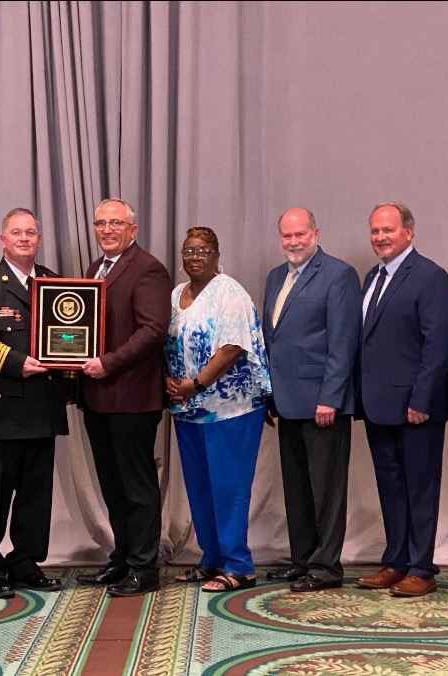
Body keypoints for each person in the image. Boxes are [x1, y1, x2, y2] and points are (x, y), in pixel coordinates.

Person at [0, 208, 69, 599]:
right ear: (2, 240)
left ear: (38, 239)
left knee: (36, 495)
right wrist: (17, 363)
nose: (24, 238)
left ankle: (26, 563)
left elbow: (72, 334)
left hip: (42, 406)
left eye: (31, 233)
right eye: (16, 233)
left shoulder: (57, 284)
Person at [355, 202, 448, 597]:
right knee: (391, 486)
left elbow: (438, 347)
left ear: (408, 233)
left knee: (420, 486)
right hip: (378, 404)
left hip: (416, 408)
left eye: (388, 230)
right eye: (375, 230)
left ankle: (422, 567)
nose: (380, 237)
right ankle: (396, 561)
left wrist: (422, 399)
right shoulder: (371, 278)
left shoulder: (430, 277)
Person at [164, 227, 271, 592]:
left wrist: (195, 383)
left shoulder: (230, 292)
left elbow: (231, 347)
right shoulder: (178, 293)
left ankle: (239, 565)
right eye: (189, 251)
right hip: (189, 409)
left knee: (229, 487)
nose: (195, 257)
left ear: (216, 254)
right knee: (200, 487)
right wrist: (171, 382)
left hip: (231, 408)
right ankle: (212, 558)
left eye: (203, 250)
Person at [77, 198, 172, 597]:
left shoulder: (148, 269)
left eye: (116, 223)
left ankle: (144, 567)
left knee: (137, 486)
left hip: (133, 396)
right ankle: (122, 557)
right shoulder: (94, 269)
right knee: (112, 485)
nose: (107, 230)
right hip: (98, 396)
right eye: (101, 223)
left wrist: (108, 363)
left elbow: (153, 330)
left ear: (133, 229)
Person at [262, 208, 361, 592]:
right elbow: (275, 339)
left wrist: (331, 398)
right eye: (286, 236)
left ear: (316, 233)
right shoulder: (275, 277)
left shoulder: (338, 275)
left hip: (323, 403)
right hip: (286, 401)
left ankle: (326, 567)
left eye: (300, 234)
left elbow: (342, 343)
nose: (293, 242)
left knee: (326, 490)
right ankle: (302, 559)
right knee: (297, 488)